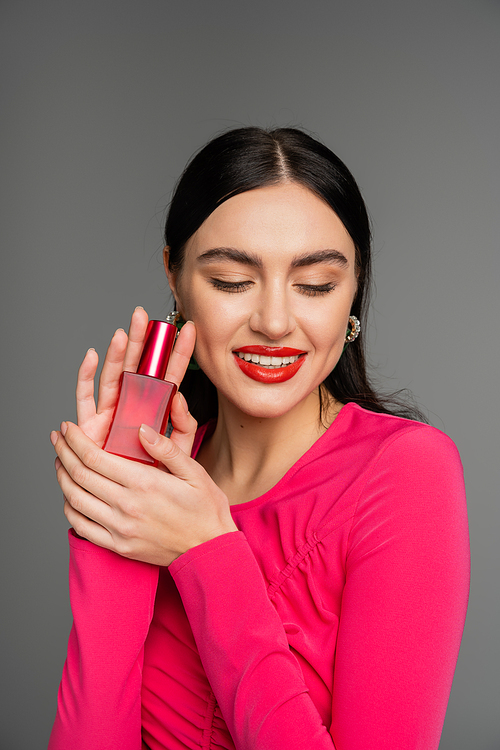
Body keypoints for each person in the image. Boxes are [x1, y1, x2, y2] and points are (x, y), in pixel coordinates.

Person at [48, 127, 470, 750]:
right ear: (175, 278)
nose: (274, 322)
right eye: (230, 281)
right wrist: (114, 501)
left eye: (316, 285)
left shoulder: (405, 472)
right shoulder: (157, 483)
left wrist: (208, 553)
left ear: (355, 289)